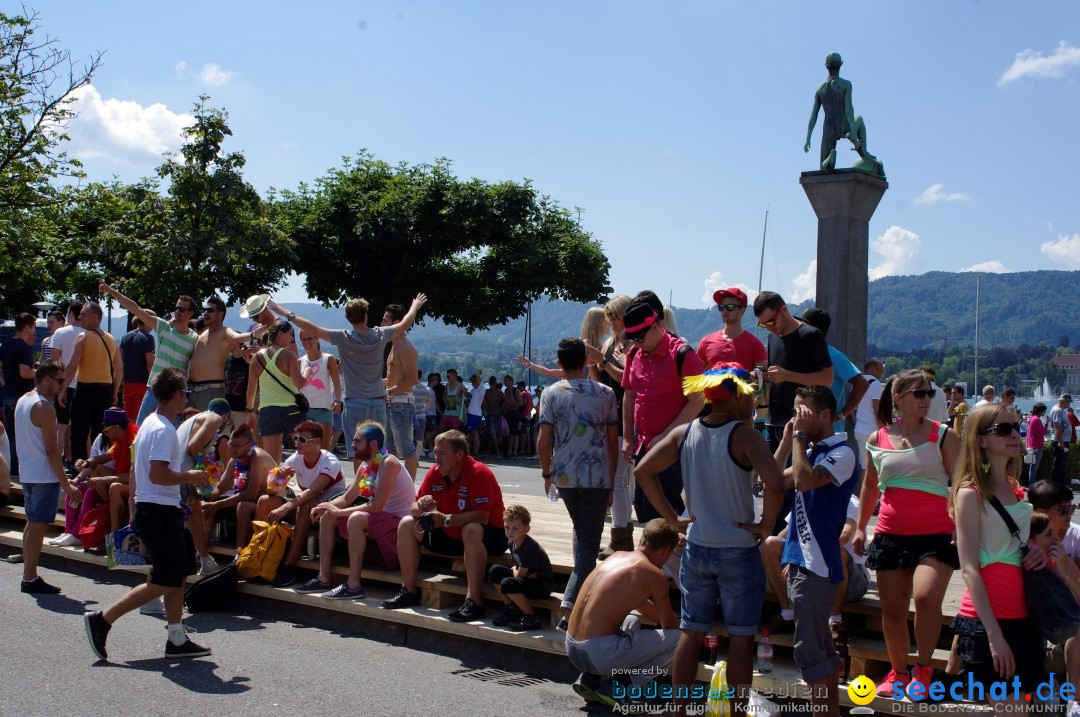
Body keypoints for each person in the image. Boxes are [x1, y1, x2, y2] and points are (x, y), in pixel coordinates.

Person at [634, 364, 784, 716]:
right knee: (742, 636)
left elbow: (643, 471)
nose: (755, 400)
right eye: (751, 392)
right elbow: (775, 484)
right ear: (735, 396)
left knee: (691, 631)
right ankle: (735, 711)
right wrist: (766, 524)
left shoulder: (685, 433)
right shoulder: (746, 436)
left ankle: (679, 710)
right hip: (738, 550)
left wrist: (672, 519)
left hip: (697, 547)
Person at [83, 367, 211, 661]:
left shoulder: (150, 423)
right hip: (159, 510)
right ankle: (103, 619)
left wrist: (134, 507)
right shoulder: (164, 429)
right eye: (186, 394)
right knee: (166, 579)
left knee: (177, 573)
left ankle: (177, 638)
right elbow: (158, 474)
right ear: (178, 395)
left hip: (155, 508)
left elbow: (137, 472)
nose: (185, 399)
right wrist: (190, 476)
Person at [853, 369, 960, 692]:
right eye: (920, 393)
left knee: (927, 599)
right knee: (893, 609)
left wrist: (962, 522)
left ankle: (924, 668)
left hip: (937, 534)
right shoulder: (878, 438)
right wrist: (860, 528)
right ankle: (898, 672)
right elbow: (870, 486)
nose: (927, 399)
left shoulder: (943, 435)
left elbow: (960, 483)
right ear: (898, 398)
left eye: (930, 393)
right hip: (889, 534)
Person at [949, 404, 1047, 709]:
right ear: (980, 440)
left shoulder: (1017, 490)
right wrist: (994, 636)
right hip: (989, 622)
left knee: (1021, 709)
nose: (1014, 435)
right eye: (1003, 429)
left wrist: (1039, 552)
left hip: (1026, 619)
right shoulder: (969, 494)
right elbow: (969, 569)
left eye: (1015, 428)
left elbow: (1017, 544)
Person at [774, 386, 858, 716]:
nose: (798, 419)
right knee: (821, 651)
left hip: (818, 566)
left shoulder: (843, 452)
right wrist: (787, 440)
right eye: (796, 412)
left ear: (825, 415)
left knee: (810, 654)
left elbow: (805, 482)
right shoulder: (809, 450)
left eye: (804, 412)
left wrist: (798, 437)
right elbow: (773, 481)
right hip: (802, 562)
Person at [267, 293, 427, 458]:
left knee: (357, 452)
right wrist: (414, 306)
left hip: (355, 402)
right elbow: (405, 324)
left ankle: (360, 482)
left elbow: (312, 327)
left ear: (347, 317)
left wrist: (285, 312)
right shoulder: (380, 334)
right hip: (378, 402)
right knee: (377, 452)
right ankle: (374, 482)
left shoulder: (343, 337)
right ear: (366, 315)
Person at [537, 338, 619, 629]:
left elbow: (543, 440)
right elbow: (612, 443)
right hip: (596, 476)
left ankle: (581, 594)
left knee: (580, 531)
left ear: (559, 364)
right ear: (586, 361)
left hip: (564, 476)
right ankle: (570, 606)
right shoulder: (606, 393)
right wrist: (611, 482)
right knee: (589, 542)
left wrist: (547, 474)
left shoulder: (550, 393)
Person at [381, 429, 506, 622]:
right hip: (450, 533)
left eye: (442, 453)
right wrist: (421, 507)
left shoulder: (479, 473)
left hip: (489, 536)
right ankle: (409, 590)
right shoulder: (435, 472)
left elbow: (482, 516)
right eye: (435, 452)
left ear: (459, 455)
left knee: (471, 529)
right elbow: (413, 509)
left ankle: (474, 601)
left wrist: (446, 519)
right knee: (406, 524)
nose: (436, 458)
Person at [564, 519, 681, 708]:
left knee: (631, 620)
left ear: (642, 540)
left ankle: (591, 680)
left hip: (572, 647)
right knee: (679, 639)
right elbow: (669, 625)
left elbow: (644, 607)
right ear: (666, 551)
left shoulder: (616, 556)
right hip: (599, 653)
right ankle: (621, 687)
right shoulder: (654, 574)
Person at [299, 420, 416, 598]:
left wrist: (340, 512)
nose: (352, 445)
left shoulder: (388, 463)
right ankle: (323, 578)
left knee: (356, 518)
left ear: (373, 444)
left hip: (398, 523)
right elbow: (347, 498)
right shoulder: (366, 465)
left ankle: (353, 585)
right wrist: (326, 507)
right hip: (380, 518)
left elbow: (376, 505)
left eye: (357, 441)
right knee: (327, 516)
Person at [753, 291, 833, 533]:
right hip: (775, 422)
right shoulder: (773, 338)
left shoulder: (810, 335)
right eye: (763, 324)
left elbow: (827, 378)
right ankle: (773, 538)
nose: (770, 328)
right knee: (772, 483)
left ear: (784, 310)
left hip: (801, 425)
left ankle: (784, 540)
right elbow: (775, 378)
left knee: (791, 486)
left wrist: (787, 376)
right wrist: (761, 383)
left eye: (771, 321)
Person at [620, 300, 705, 524]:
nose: (637, 344)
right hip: (644, 443)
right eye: (633, 339)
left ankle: (672, 555)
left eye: (641, 338)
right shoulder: (633, 355)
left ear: (656, 326)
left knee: (666, 508)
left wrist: (667, 436)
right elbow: (629, 396)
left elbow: (698, 400)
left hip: (675, 445)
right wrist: (627, 437)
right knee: (644, 507)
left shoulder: (683, 354)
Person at [16, 361, 82, 593]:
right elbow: (52, 450)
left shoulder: (24, 400)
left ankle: (28, 572)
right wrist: (66, 484)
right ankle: (30, 577)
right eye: (60, 380)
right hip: (43, 475)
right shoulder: (44, 407)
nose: (62, 385)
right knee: (37, 524)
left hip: (28, 472)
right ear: (47, 379)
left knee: (33, 522)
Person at [98, 282, 199, 426]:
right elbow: (135, 308)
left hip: (176, 393)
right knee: (139, 430)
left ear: (190, 313)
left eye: (182, 309)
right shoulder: (164, 327)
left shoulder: (194, 339)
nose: (177, 312)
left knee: (173, 433)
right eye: (176, 308)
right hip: (155, 389)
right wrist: (110, 290)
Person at [263, 421, 349, 587]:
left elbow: (312, 492)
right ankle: (258, 558)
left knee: (307, 504)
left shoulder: (330, 462)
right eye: (295, 439)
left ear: (317, 443)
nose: (296, 443)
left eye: (302, 439)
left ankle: (289, 565)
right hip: (307, 509)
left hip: (327, 512)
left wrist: (285, 507)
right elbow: (271, 491)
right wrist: (278, 477)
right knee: (265, 502)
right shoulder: (296, 458)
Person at [57, 408, 137, 550]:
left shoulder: (134, 443)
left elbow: (133, 477)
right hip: (124, 483)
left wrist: (103, 480)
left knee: (114, 487)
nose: (105, 434)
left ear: (116, 428)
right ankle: (70, 532)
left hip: (137, 486)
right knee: (96, 470)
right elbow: (101, 458)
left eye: (107, 430)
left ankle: (113, 541)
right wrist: (85, 463)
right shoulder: (119, 443)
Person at [1028, 509, 1080, 716]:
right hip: (1042, 650)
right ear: (1031, 541)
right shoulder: (1026, 566)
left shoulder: (1057, 559)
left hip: (1061, 641)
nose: (1056, 539)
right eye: (1048, 534)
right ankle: (1074, 699)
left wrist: (1063, 569)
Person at [57, 303, 123, 463]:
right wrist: (114, 393)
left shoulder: (83, 336)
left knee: (79, 432)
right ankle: (98, 468)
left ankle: (78, 470)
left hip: (86, 389)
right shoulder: (111, 339)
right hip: (105, 391)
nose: (80, 317)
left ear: (94, 318)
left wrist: (62, 390)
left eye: (83, 314)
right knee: (101, 432)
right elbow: (119, 369)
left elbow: (72, 366)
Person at [175, 398, 232, 574]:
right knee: (185, 516)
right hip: (183, 474)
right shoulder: (215, 419)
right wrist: (204, 459)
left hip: (176, 472)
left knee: (194, 514)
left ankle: (205, 559)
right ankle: (186, 561)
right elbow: (193, 447)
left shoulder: (195, 421)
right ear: (225, 416)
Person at [200, 424, 275, 551]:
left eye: (237, 446)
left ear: (249, 445)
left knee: (242, 506)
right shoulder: (235, 459)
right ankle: (202, 553)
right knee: (206, 506)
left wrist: (217, 504)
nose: (233, 449)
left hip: (269, 503)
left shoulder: (257, 457)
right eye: (231, 445)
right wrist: (211, 500)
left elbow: (251, 494)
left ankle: (240, 554)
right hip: (249, 501)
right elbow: (221, 486)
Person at [247, 318, 309, 462]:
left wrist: (250, 410)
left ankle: (275, 484)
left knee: (272, 460)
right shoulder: (289, 355)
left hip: (268, 411)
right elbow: (299, 383)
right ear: (280, 334)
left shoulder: (256, 358)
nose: (292, 338)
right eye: (290, 334)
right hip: (292, 409)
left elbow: (251, 390)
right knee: (303, 453)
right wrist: (307, 372)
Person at [187, 295, 261, 411]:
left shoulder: (224, 332)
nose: (206, 313)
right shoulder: (203, 334)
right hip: (192, 390)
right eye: (204, 310)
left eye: (210, 310)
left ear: (220, 314)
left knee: (209, 429)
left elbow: (237, 337)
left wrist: (252, 335)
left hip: (211, 391)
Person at [801, 308, 868, 434]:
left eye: (802, 325)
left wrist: (843, 414)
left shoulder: (834, 356)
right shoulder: (801, 355)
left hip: (828, 433)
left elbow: (862, 384)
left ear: (811, 328)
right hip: (803, 429)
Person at [489, 505, 554, 631]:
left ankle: (531, 617)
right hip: (528, 579)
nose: (510, 532)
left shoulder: (529, 547)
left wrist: (515, 570)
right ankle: (511, 609)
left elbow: (519, 576)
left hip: (541, 585)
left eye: (515, 528)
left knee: (508, 583)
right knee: (495, 570)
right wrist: (517, 570)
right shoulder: (511, 542)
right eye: (507, 527)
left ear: (526, 529)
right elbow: (520, 571)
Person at [381, 302, 422, 479]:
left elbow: (412, 379)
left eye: (385, 320)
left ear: (396, 322)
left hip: (401, 404)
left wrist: (390, 392)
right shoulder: (394, 345)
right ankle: (394, 487)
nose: (381, 324)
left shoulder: (405, 346)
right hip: (393, 403)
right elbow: (392, 379)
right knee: (390, 451)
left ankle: (410, 490)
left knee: (406, 449)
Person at [696, 287, 767, 373]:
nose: (724, 311)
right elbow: (695, 376)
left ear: (742, 311)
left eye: (730, 307)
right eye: (721, 307)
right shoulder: (706, 342)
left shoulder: (755, 345)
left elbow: (764, 382)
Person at [1, 312, 37, 477]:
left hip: (8, 392)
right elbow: (25, 373)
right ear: (27, 327)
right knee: (20, 433)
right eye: (33, 327)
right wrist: (40, 372)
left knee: (9, 433)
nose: (34, 330)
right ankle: (16, 468)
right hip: (21, 395)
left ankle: (8, 466)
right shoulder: (22, 346)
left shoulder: (7, 344)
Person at [49, 302, 84, 464]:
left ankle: (58, 461)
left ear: (70, 314)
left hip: (64, 384)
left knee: (61, 427)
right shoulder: (88, 334)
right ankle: (78, 460)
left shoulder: (60, 333)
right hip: (83, 383)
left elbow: (54, 361)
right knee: (81, 428)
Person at [298, 330, 342, 451]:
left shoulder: (328, 359)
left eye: (310, 338)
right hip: (305, 412)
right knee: (304, 449)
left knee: (324, 450)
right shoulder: (300, 361)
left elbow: (337, 383)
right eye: (303, 339)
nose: (307, 342)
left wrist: (338, 400)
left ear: (317, 338)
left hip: (324, 410)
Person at [1028, 481, 1080, 568]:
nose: (1070, 513)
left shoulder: (1077, 536)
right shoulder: (1024, 537)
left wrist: (1064, 563)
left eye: (1071, 507)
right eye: (1063, 510)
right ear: (1042, 512)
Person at [118, 315, 155, 418]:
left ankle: (129, 434)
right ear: (146, 321)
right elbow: (150, 363)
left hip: (128, 382)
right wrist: (154, 382)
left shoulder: (125, 337)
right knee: (139, 416)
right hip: (142, 383)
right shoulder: (149, 338)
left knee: (128, 415)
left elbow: (119, 360)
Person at [853, 358, 885, 469]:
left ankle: (863, 486)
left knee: (864, 467)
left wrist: (857, 423)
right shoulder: (876, 384)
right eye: (880, 369)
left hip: (859, 430)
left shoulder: (857, 384)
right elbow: (877, 408)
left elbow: (852, 409)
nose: (882, 372)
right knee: (875, 468)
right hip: (872, 431)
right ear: (872, 369)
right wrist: (883, 428)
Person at [1049, 395, 1073, 485]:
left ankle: (1061, 485)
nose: (1069, 404)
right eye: (1068, 402)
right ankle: (1056, 485)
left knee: (1061, 464)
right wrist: (1060, 441)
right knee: (1058, 463)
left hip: (1064, 440)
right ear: (1064, 401)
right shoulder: (1057, 410)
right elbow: (1057, 427)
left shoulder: (1061, 410)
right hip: (1060, 441)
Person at [481, 376, 506, 457]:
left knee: (493, 433)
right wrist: (503, 409)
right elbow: (507, 400)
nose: (492, 385)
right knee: (491, 433)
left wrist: (484, 411)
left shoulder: (487, 392)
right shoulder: (499, 391)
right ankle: (489, 450)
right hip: (497, 414)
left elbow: (484, 403)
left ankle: (497, 452)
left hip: (491, 414)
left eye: (491, 383)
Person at [501, 374, 523, 459]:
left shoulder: (516, 391)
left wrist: (511, 404)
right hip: (508, 413)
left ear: (510, 381)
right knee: (509, 432)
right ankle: (509, 451)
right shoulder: (506, 390)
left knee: (515, 433)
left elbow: (520, 403)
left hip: (515, 413)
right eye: (504, 381)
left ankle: (514, 451)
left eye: (506, 381)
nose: (505, 382)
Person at [1027, 403, 1049, 485]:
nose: (1044, 413)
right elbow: (1043, 432)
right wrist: (1047, 424)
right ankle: (1032, 483)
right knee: (1034, 466)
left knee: (1032, 466)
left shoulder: (1031, 418)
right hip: (1037, 445)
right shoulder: (1037, 420)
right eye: (1044, 411)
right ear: (1040, 411)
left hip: (1032, 444)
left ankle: (1031, 482)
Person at [464, 371, 484, 456]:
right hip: (471, 413)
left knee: (475, 433)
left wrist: (477, 373)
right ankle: (468, 450)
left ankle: (475, 452)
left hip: (475, 414)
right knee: (471, 433)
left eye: (473, 382)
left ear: (476, 381)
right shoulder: (474, 389)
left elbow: (477, 377)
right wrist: (464, 391)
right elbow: (468, 395)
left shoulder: (481, 387)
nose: (472, 384)